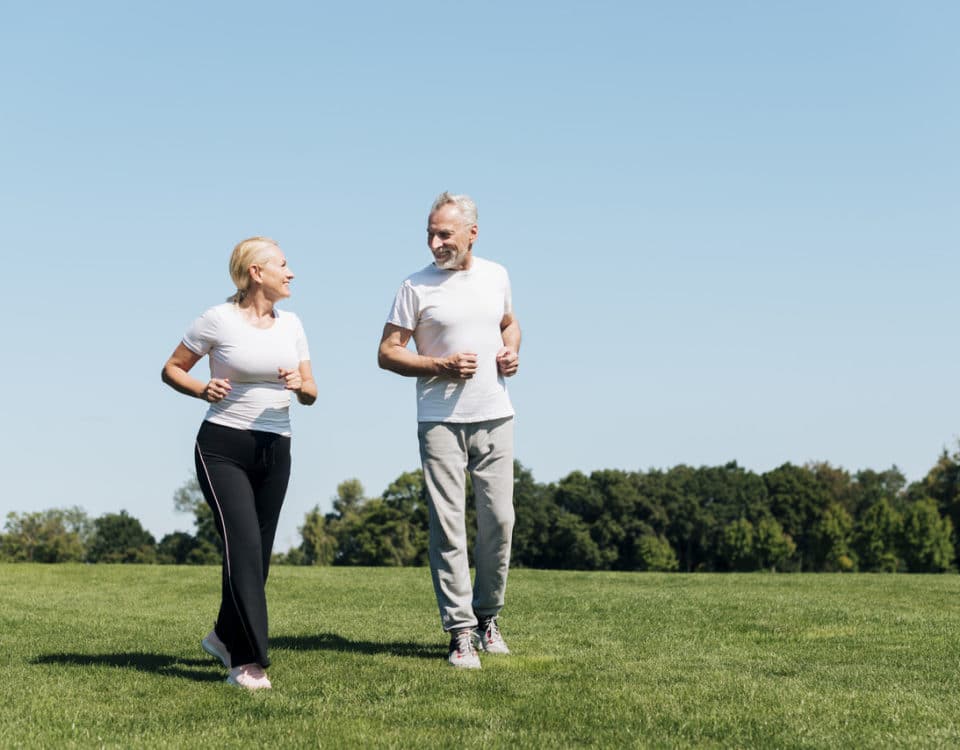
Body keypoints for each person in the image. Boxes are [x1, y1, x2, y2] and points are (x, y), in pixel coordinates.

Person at [162, 236, 316, 690]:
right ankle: (248, 663)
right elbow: (172, 368)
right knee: (244, 546)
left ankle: (223, 636)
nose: (290, 273)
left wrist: (298, 385)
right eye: (283, 265)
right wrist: (200, 389)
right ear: (256, 272)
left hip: (276, 447)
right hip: (222, 446)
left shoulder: (293, 325)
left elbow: (311, 390)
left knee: (258, 557)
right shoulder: (218, 319)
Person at [378, 192, 521, 669]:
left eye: (445, 234)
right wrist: (438, 363)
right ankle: (459, 631)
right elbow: (388, 352)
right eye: (430, 234)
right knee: (449, 526)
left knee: (499, 521)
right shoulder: (415, 287)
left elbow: (509, 323)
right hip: (439, 420)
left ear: (472, 234)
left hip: (495, 413)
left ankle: (488, 618)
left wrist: (510, 350)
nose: (435, 242)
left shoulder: (496, 275)